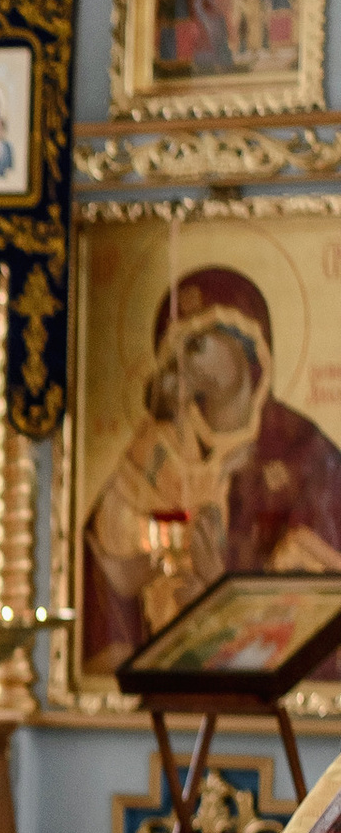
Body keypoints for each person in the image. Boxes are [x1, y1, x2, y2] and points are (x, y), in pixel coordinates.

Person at [82, 261, 341, 674]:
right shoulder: (155, 451)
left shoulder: (304, 453)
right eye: (177, 349)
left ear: (246, 345)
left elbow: (320, 603)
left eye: (199, 344)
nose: (184, 363)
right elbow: (107, 571)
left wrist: (218, 596)